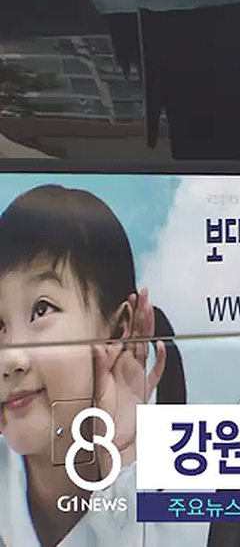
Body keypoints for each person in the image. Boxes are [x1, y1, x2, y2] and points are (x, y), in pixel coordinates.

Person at [0, 184, 194, 546]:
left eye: (42, 309)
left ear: (118, 329)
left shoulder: (183, 498)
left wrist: (122, 459)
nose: (9, 359)